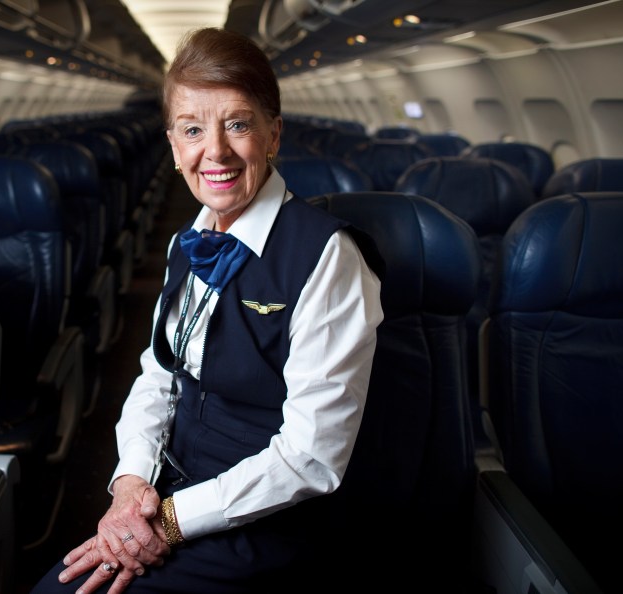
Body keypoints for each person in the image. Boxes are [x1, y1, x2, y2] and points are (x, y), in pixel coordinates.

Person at [30, 27, 384, 594]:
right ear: (173, 146)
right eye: (193, 129)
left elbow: (312, 457)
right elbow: (159, 375)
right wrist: (129, 486)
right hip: (176, 493)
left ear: (273, 135)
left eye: (238, 124)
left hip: (270, 521)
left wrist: (168, 522)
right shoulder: (186, 244)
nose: (214, 151)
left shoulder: (328, 258)